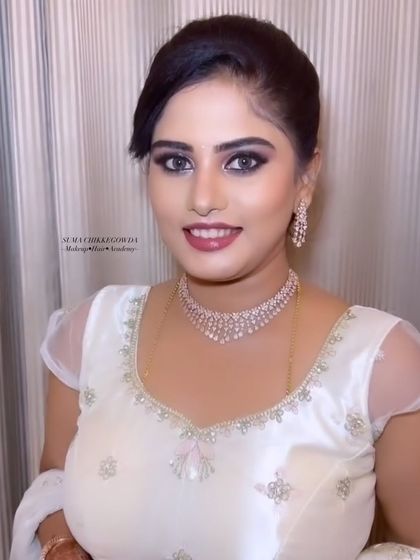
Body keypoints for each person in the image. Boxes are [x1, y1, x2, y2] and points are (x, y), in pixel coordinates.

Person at [10, 14, 420, 560]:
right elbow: (55, 477)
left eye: (243, 161)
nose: (203, 198)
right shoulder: (91, 333)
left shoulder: (380, 365)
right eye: (176, 161)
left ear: (306, 176)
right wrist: (60, 542)